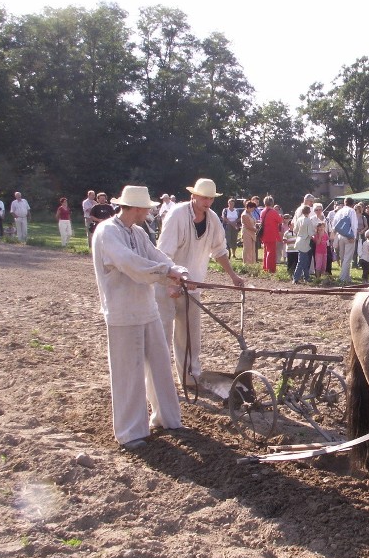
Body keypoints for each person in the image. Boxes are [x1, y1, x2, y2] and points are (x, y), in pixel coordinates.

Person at [91, 185, 190, 450]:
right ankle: (130, 432)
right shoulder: (107, 232)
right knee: (128, 372)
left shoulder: (138, 231)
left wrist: (174, 268)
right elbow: (130, 264)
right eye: (146, 207)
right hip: (122, 311)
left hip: (147, 308)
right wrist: (165, 273)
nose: (149, 211)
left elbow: (153, 254)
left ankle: (167, 419)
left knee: (159, 364)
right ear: (135, 208)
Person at [156, 178, 246, 387]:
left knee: (189, 336)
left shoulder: (213, 219)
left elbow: (219, 250)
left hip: (193, 287)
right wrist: (173, 280)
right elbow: (163, 253)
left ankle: (190, 377)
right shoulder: (177, 215)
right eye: (204, 197)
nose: (207, 202)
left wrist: (233, 276)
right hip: (167, 284)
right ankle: (159, 382)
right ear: (193, 196)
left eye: (211, 198)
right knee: (163, 335)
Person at [334, 197, 358, 283]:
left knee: (343, 257)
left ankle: (346, 277)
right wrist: (353, 236)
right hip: (349, 236)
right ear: (353, 204)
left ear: (345, 203)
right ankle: (343, 277)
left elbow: (335, 224)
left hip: (340, 235)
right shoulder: (351, 211)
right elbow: (354, 224)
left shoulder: (339, 211)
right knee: (348, 258)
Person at [258, 196, 283, 273]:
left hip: (264, 234)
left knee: (265, 252)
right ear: (272, 203)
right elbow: (280, 221)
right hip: (271, 234)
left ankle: (265, 267)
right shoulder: (273, 212)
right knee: (271, 252)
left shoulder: (262, 211)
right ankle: (270, 269)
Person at [292, 205, 315, 283]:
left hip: (299, 240)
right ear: (309, 212)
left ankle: (307, 277)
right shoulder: (308, 220)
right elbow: (310, 233)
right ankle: (295, 278)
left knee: (305, 260)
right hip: (305, 241)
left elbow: (295, 230)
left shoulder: (299, 219)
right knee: (301, 261)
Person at [241, 200, 259, 265]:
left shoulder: (250, 213)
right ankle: (246, 264)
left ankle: (252, 263)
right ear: (248, 207)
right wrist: (258, 231)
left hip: (252, 233)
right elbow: (248, 226)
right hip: (246, 233)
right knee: (247, 249)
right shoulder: (244, 215)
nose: (253, 209)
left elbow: (254, 222)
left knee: (252, 249)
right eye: (253, 208)